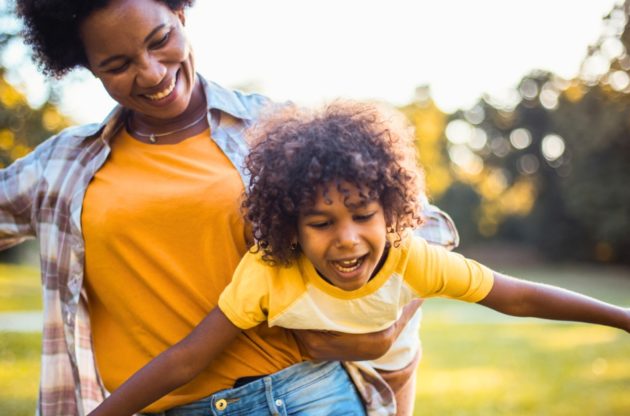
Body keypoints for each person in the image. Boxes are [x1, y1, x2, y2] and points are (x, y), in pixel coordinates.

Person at [4, 0, 458, 415]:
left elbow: (428, 226)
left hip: (306, 397)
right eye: (117, 65)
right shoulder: (60, 167)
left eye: (160, 41)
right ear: (87, 68)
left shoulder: (276, 129)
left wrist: (386, 325)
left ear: (180, 16)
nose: (152, 73)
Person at [87, 101, 630, 416]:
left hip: (393, 364)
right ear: (290, 227)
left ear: (391, 208)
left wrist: (621, 318)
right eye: (321, 224)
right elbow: (186, 357)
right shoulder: (266, 275)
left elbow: (517, 294)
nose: (347, 240)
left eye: (363, 214)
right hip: (323, 367)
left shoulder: (412, 258)